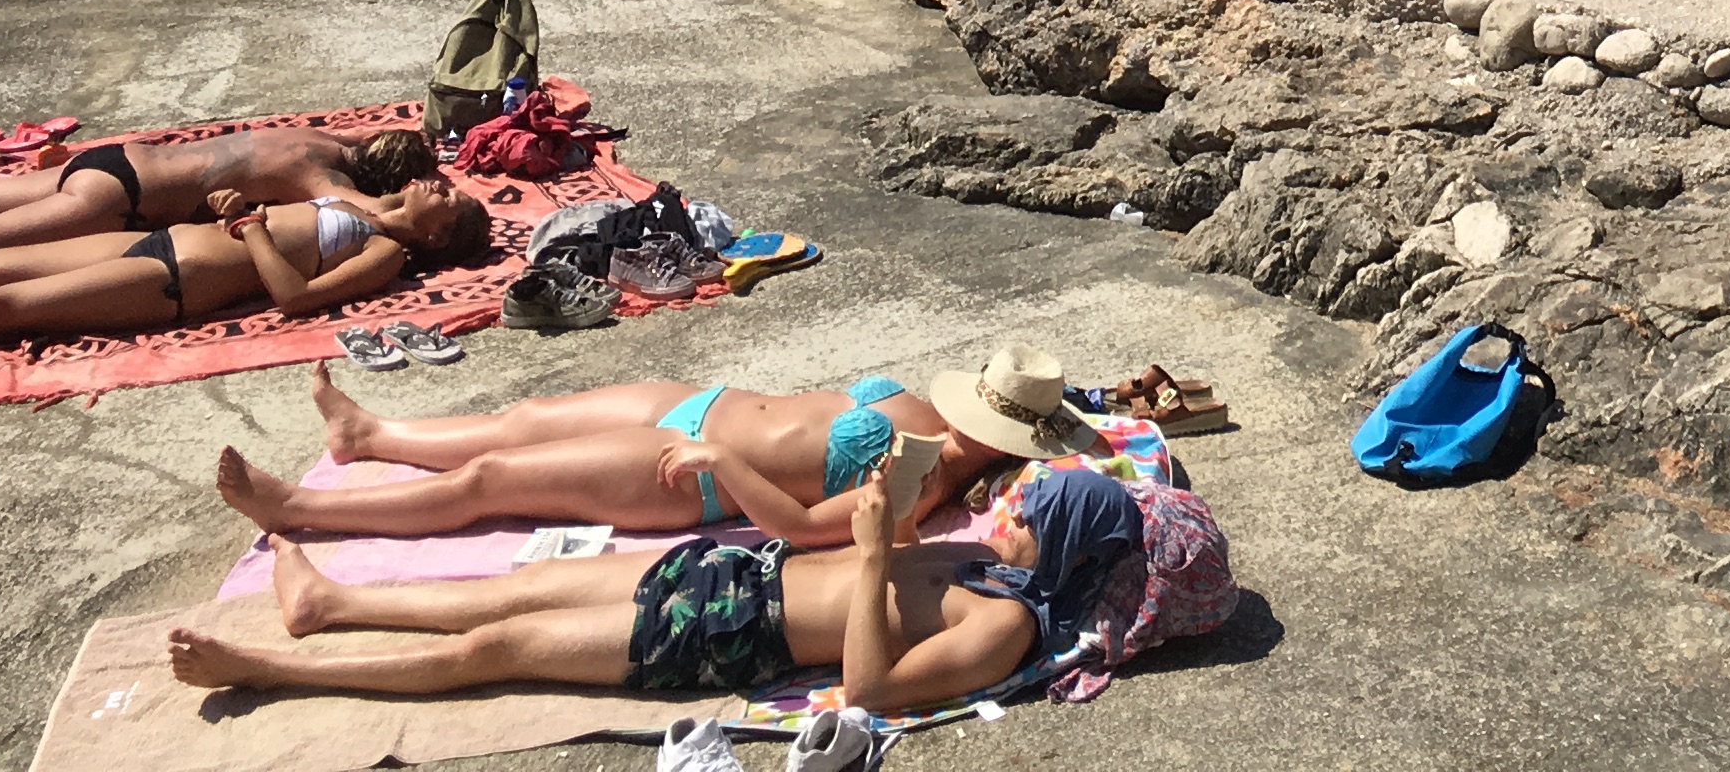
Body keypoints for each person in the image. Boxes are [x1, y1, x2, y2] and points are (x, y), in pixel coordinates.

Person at [168, 464, 1144, 712]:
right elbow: (856, 558)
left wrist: (880, 558)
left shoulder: (1006, 624)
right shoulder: (983, 560)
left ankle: (266, 669)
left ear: (1060, 544)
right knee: (519, 589)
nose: (1005, 501)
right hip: (733, 570)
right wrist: (882, 514)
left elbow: (875, 690)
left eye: (1029, 503)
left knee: (493, 654)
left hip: (729, 633)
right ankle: (329, 604)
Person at [212, 345, 1088, 548]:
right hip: (698, 405)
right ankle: (367, 434)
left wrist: (727, 466)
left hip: (692, 478)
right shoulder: (923, 411)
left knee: (493, 478)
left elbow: (806, 530)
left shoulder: (921, 486)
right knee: (527, 414)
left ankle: (303, 510)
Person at [0, 180, 488, 381]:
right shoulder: (366, 207)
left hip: (179, 279)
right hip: (158, 240)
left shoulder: (387, 256)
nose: (439, 186)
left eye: (448, 201)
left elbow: (293, 301)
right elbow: (391, 165)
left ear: (437, 235)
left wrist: (252, 228)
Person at [0, 121, 436, 308]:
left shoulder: (321, 139)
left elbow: (384, 147)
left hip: (115, 160)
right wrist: (417, 208)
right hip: (116, 203)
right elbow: (371, 212)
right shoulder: (322, 175)